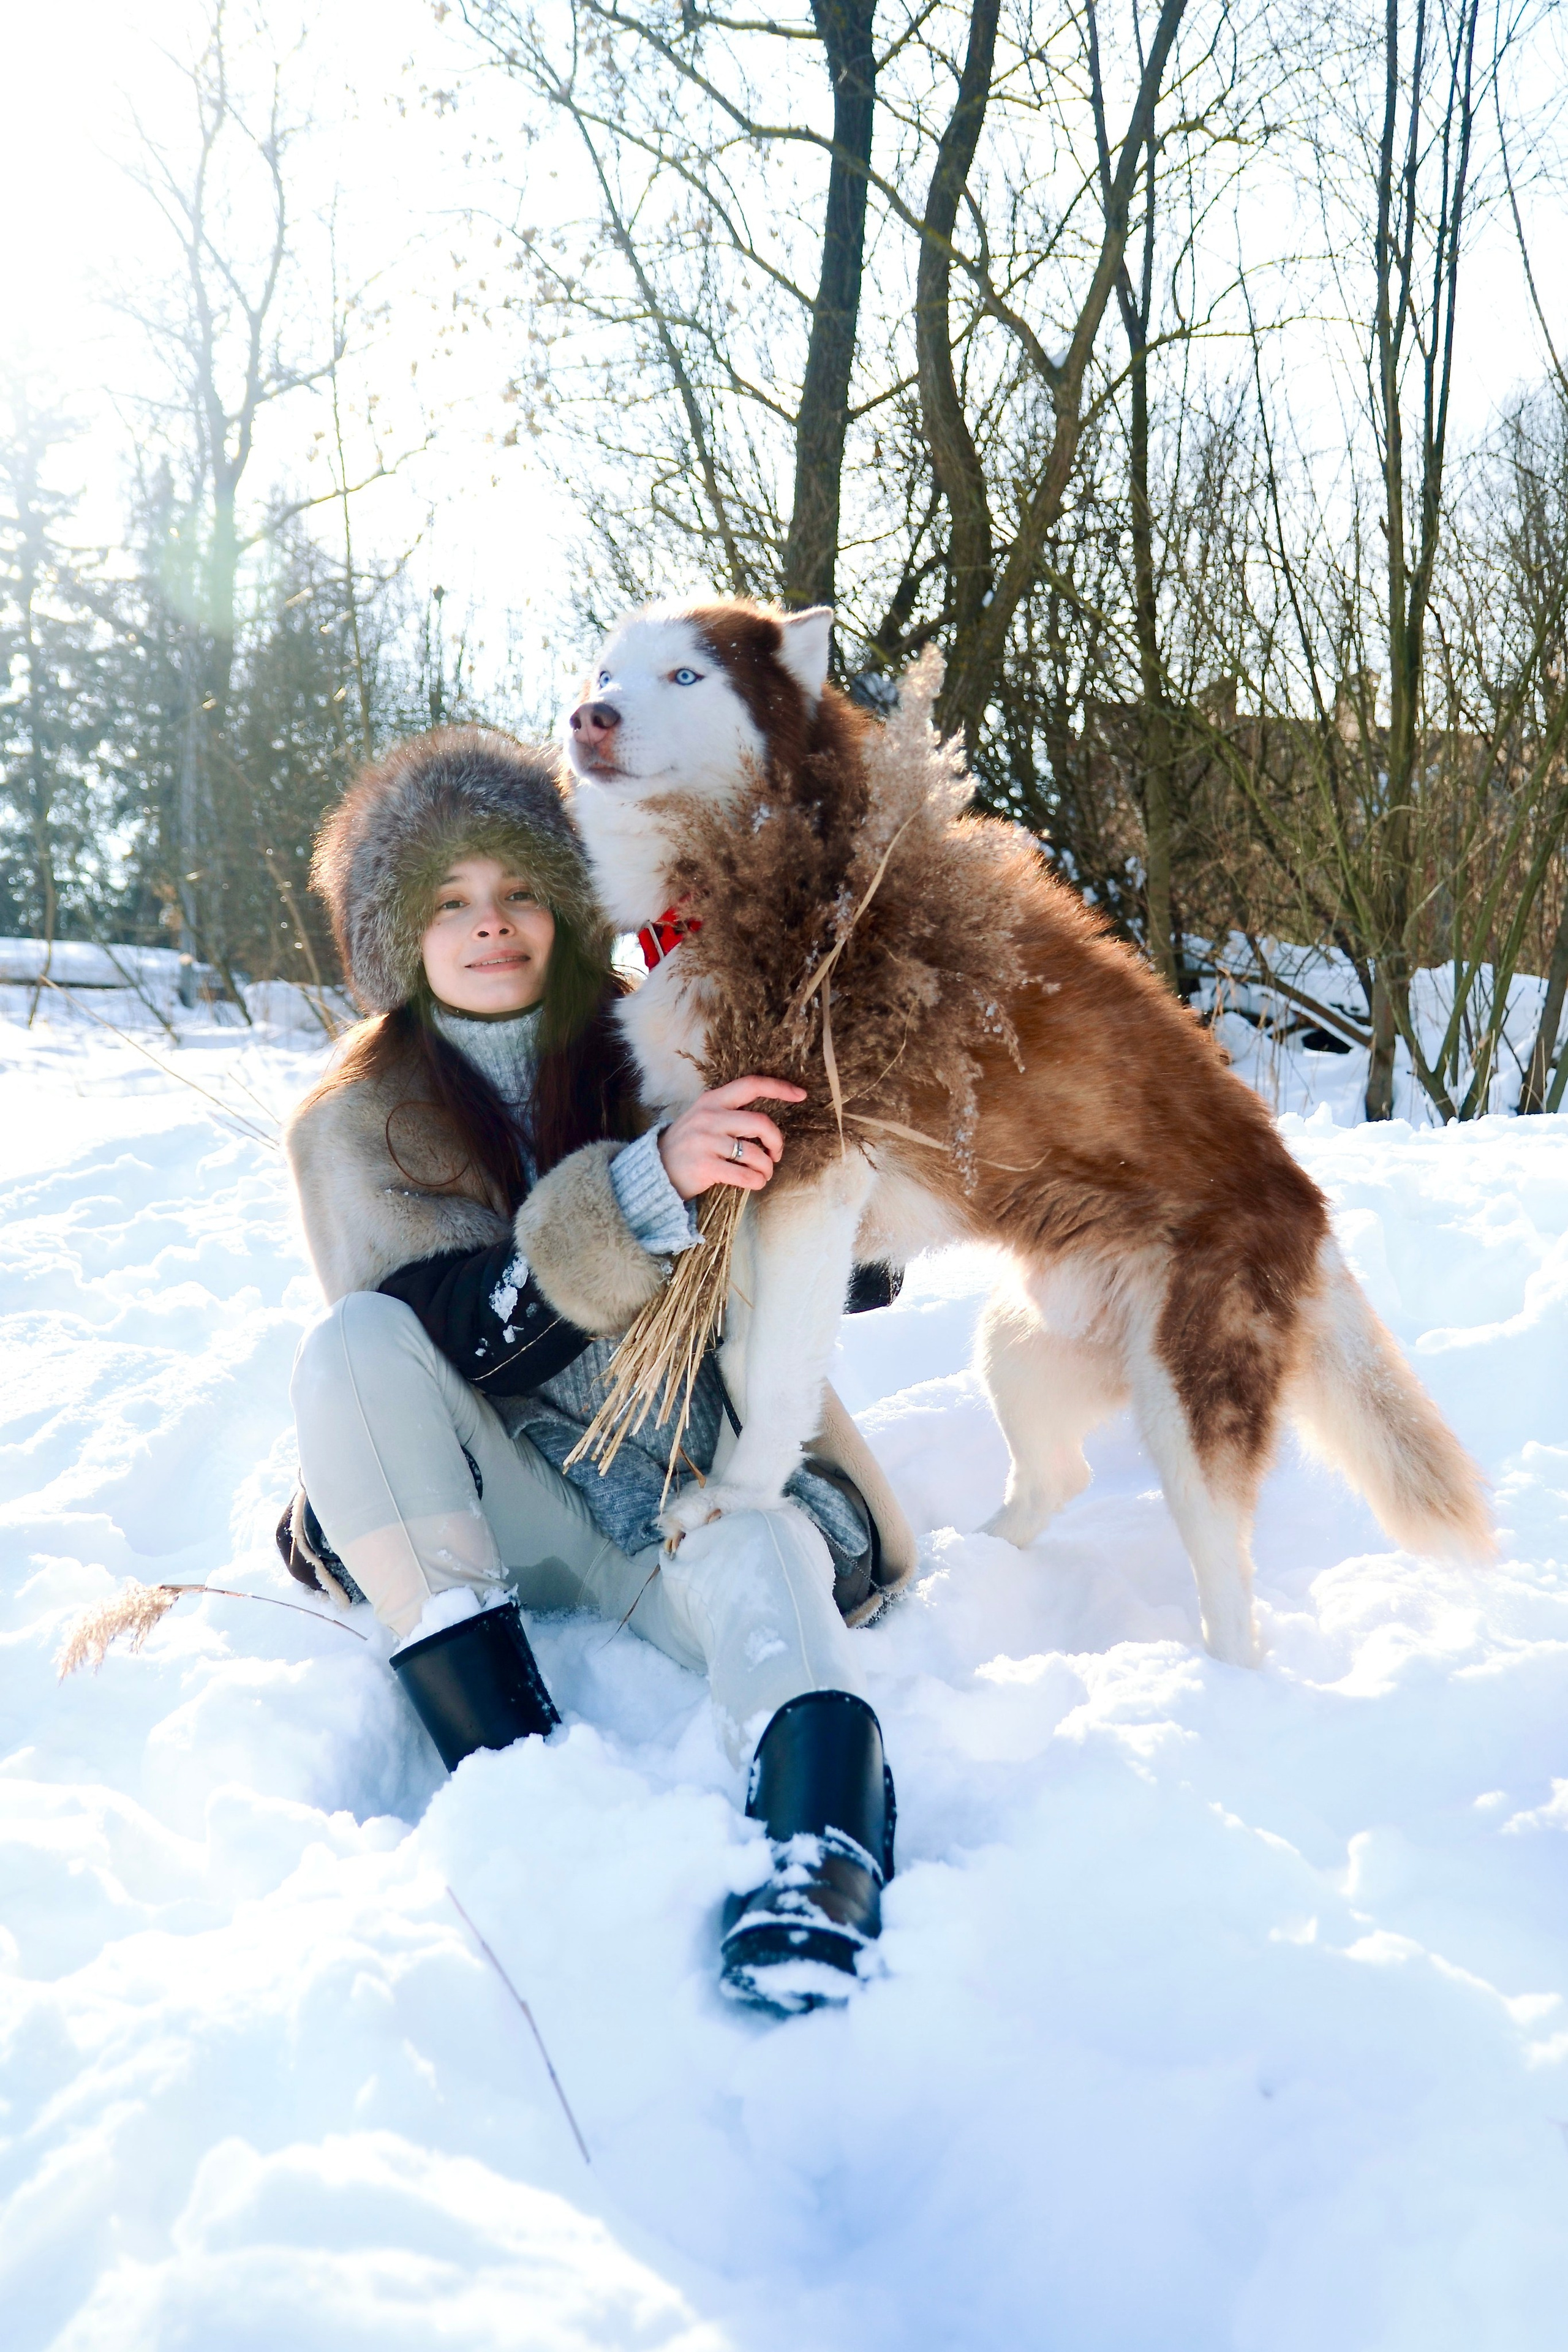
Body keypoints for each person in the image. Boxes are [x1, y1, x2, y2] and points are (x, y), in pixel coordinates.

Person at [281, 727, 913, 2013]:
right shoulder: (353, 1125)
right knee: (349, 1349)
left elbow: (845, 1270)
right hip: (522, 1502)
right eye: (448, 903)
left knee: (757, 1548)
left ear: (569, 909)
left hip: (695, 1484)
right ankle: (514, 1769)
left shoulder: (661, 1050)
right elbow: (457, 1331)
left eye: (518, 890)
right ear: (396, 935)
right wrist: (645, 1186)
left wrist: (848, 1155)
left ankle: (817, 1850)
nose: (490, 926)